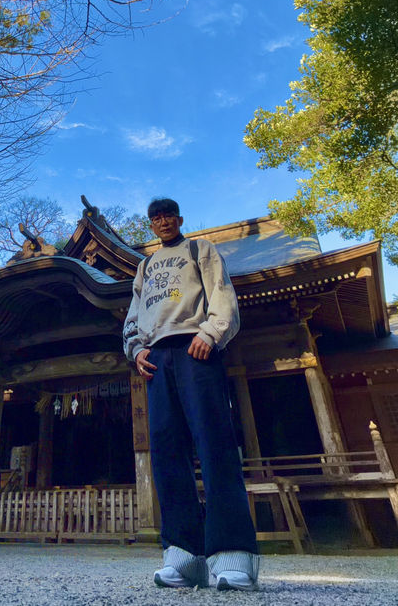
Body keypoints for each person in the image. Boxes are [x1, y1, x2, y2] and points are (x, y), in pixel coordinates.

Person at [122, 197, 259, 591]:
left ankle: (233, 556)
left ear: (179, 219)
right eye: (155, 218)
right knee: (166, 453)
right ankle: (183, 556)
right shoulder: (144, 265)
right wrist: (135, 349)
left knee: (214, 444)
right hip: (155, 357)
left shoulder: (200, 249)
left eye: (168, 216)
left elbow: (221, 293)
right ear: (150, 225)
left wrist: (211, 333)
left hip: (194, 348)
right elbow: (134, 314)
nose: (162, 222)